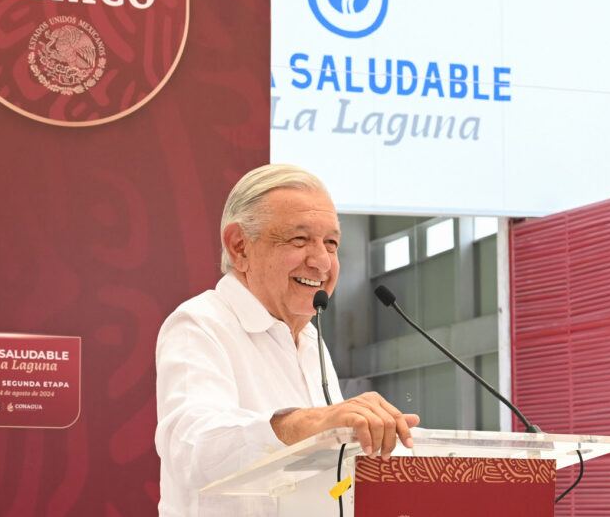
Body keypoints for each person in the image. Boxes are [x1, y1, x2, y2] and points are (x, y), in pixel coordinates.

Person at [155, 164, 419, 516]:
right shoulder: (200, 324)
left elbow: (323, 478)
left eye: (331, 243)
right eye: (299, 240)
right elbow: (192, 449)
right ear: (239, 247)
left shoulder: (311, 340)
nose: (322, 262)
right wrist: (313, 422)